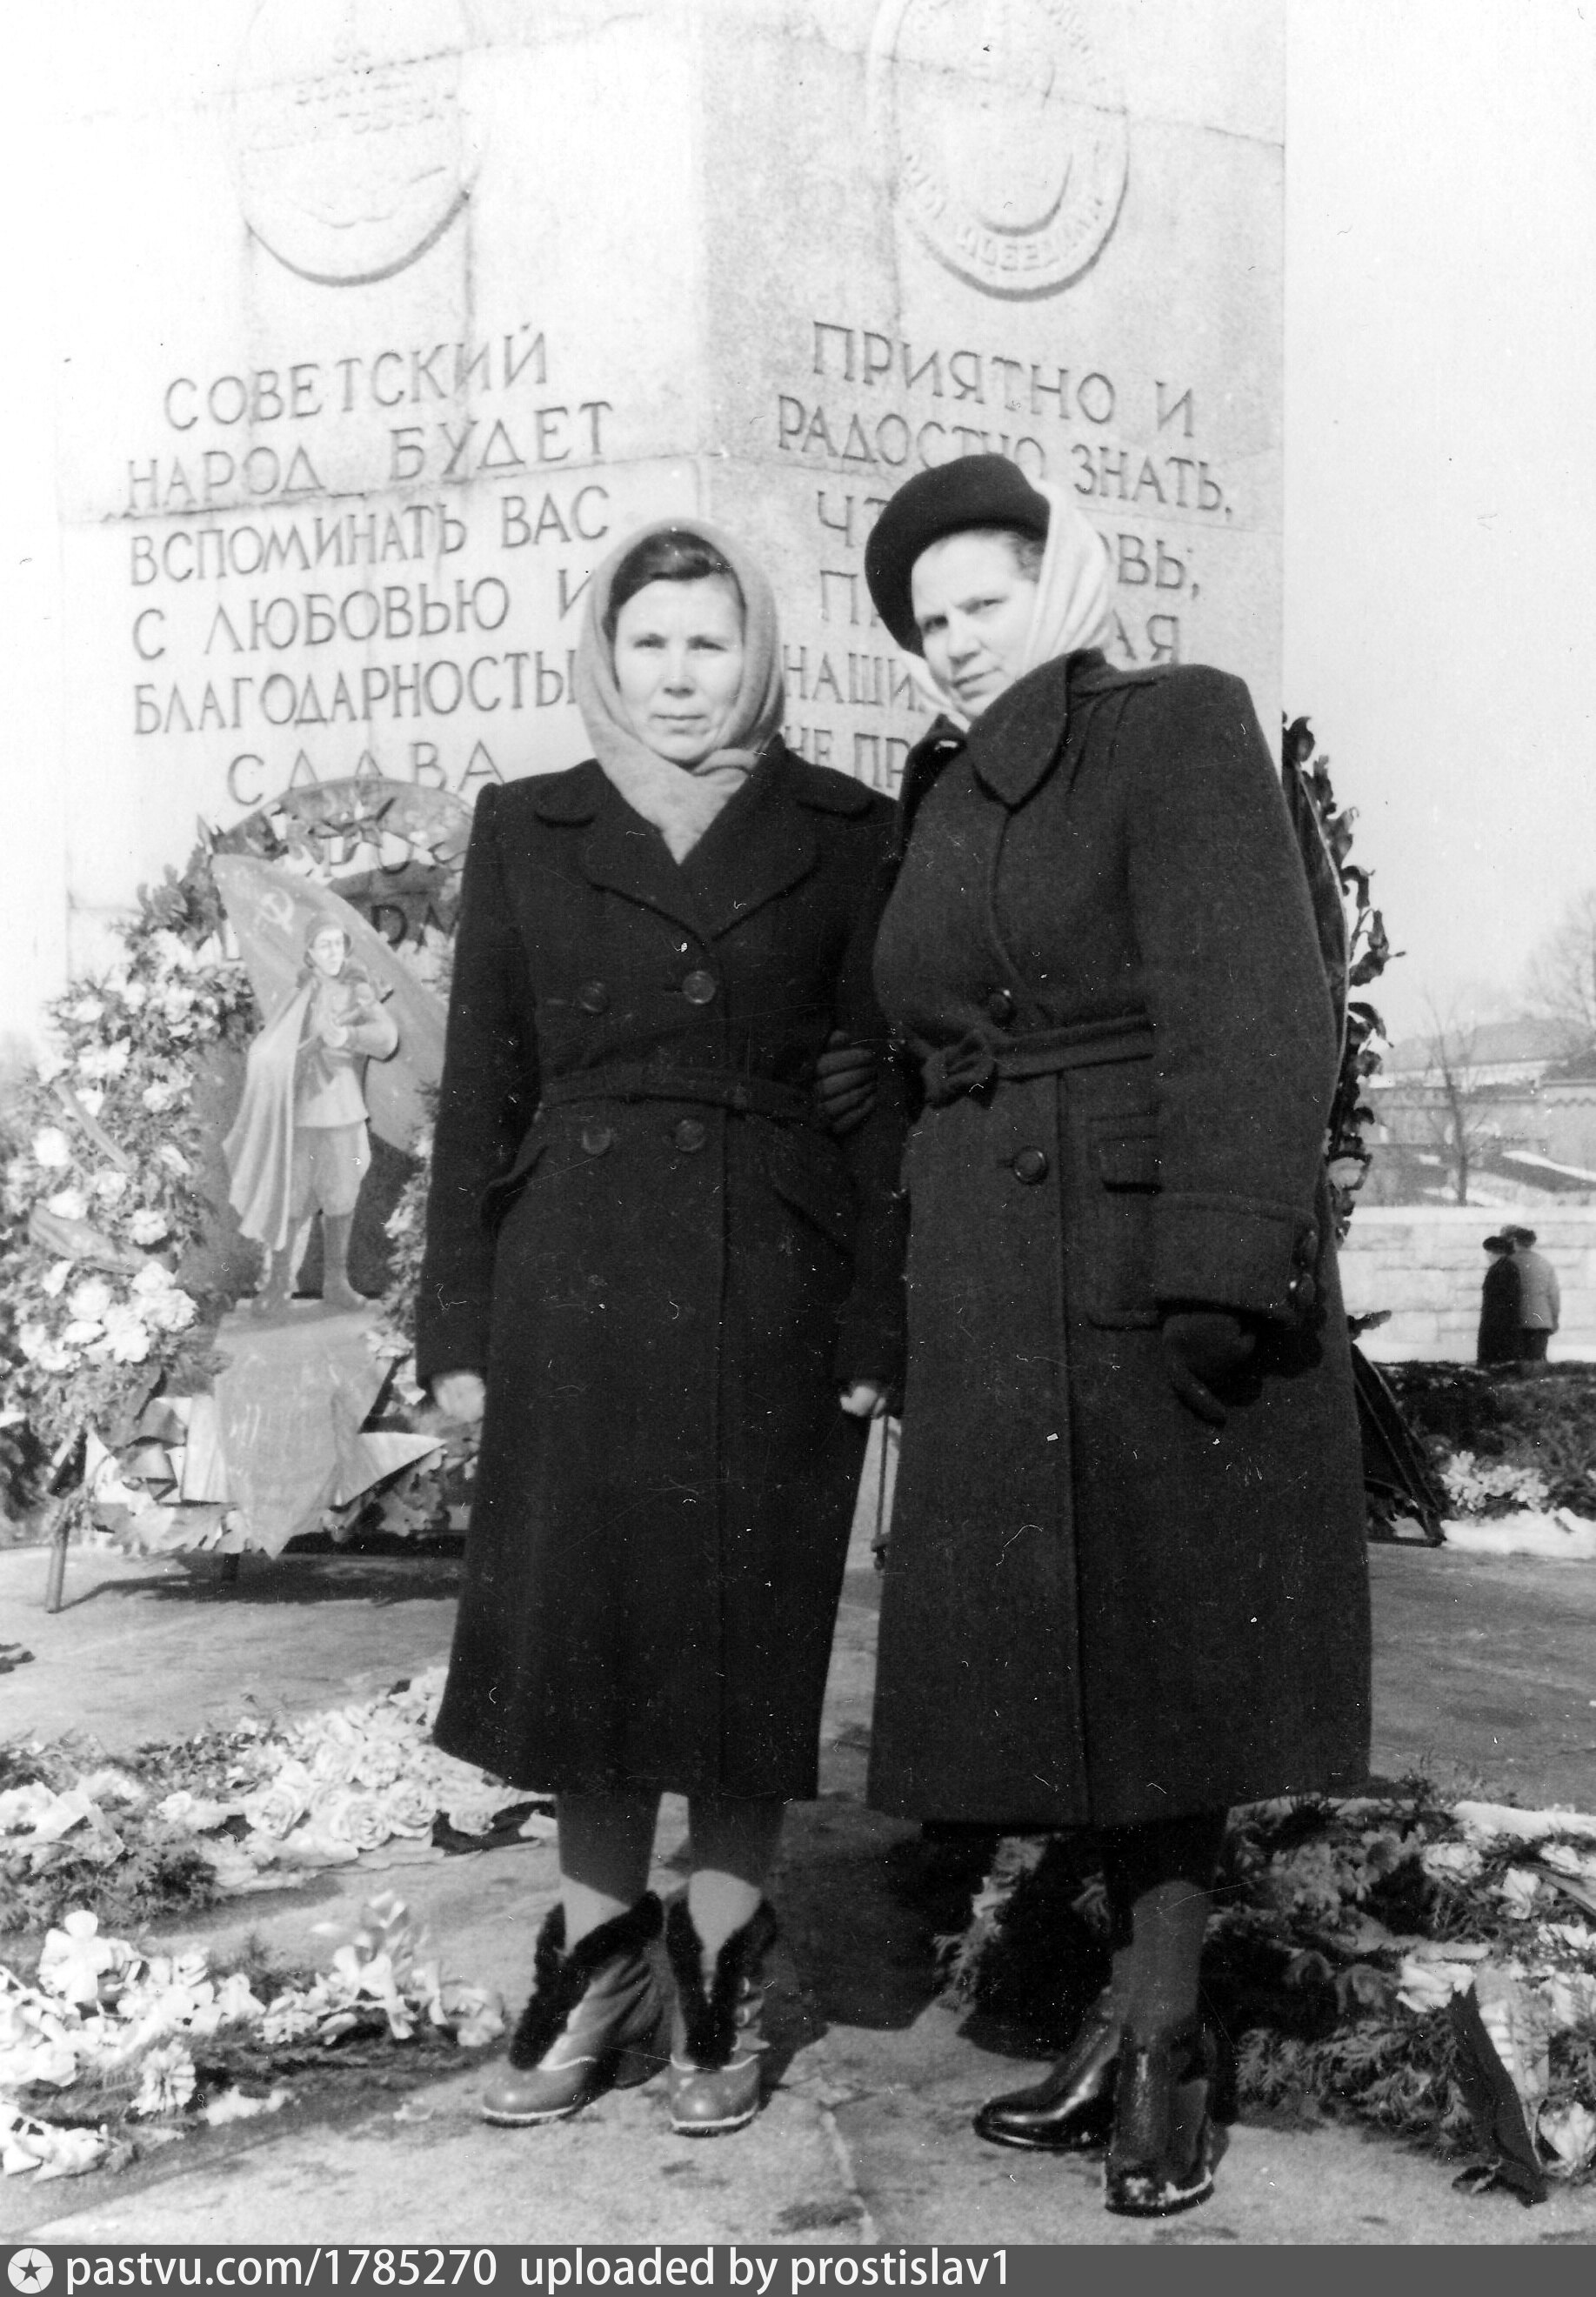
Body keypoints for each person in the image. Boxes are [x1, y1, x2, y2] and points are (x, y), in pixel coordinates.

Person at [860, 456, 1371, 2220]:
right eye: (927, 622)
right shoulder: (940, 792)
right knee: (1080, 1673)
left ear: (1059, 585)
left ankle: (1164, 2041)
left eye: (982, 602)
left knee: (1165, 1661)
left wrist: (1220, 1263)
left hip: (1145, 1265)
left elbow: (1258, 1001)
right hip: (1000, 1282)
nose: (952, 642)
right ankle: (1125, 2012)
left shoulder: (1172, 724)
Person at [415, 519, 905, 2138]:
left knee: (747, 1635)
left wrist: (875, 1322)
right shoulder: (527, 823)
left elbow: (882, 1110)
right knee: (590, 1630)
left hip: (773, 1282)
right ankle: (597, 1961)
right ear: (607, 657)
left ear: (754, 653)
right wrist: (457, 1324)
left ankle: (721, 1967)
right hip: (576, 1278)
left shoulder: (850, 829)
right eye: (651, 644)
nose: (681, 676)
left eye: (710, 642)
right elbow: (480, 1086)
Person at [224, 918, 399, 1316]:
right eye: (325, 945)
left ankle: (336, 1283)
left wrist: (348, 1037)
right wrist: (294, 1057)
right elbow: (269, 1050)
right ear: (310, 954)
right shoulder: (298, 994)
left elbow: (387, 1039)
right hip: (300, 1113)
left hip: (341, 1109)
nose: (334, 952)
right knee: (291, 1196)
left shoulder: (359, 992)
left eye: (338, 944)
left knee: (341, 1196)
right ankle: (278, 1284)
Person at [1506, 1225, 1559, 1367]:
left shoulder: (1509, 1262)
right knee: (1538, 1363)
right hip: (1541, 1320)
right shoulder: (1545, 1263)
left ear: (1514, 1241)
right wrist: (1554, 1320)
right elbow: (1554, 1296)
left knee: (1518, 1366)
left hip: (1517, 1320)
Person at [1476, 1234, 1523, 1368]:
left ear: (1494, 1252)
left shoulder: (1501, 1269)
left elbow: (1500, 1297)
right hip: (1502, 1319)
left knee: (1496, 1355)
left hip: (1498, 1320)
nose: (1487, 1256)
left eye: (1488, 1252)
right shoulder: (1507, 1267)